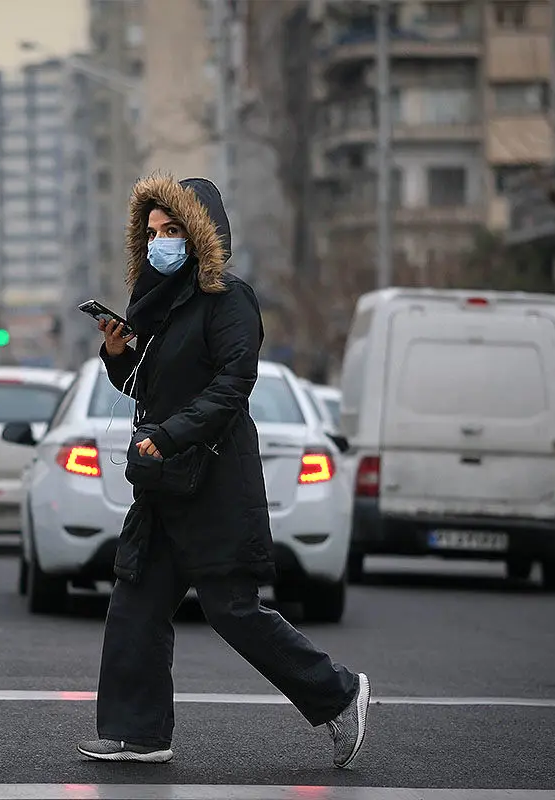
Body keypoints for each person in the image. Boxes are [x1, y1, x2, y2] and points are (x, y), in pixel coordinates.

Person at [76, 175, 370, 768]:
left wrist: (169, 436)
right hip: (162, 483)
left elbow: (233, 384)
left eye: (173, 230)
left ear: (202, 234)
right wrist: (118, 355)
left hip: (211, 480)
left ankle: (340, 696)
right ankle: (139, 733)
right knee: (135, 600)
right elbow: (149, 388)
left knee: (231, 610)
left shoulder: (228, 299)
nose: (161, 241)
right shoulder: (157, 307)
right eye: (153, 232)